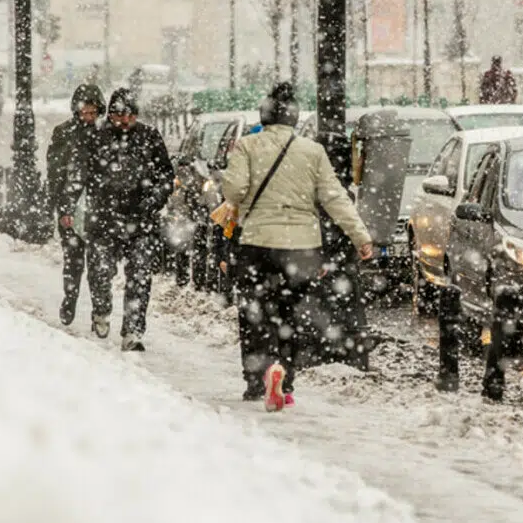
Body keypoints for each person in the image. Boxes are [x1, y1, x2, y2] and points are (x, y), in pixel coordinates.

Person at [211, 81, 373, 411]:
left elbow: (234, 192)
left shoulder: (247, 146)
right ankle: (284, 374)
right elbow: (334, 198)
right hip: (302, 249)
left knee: (254, 312)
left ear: (264, 116)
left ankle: (257, 378)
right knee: (290, 312)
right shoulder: (312, 152)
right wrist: (361, 237)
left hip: (257, 243)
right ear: (294, 119)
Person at [66, 87, 175, 351]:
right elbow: (78, 174)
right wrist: (70, 207)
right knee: (101, 272)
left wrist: (154, 199)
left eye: (129, 115)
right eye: (118, 115)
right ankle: (101, 311)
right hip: (104, 219)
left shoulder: (149, 137)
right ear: (110, 115)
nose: (124, 121)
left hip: (141, 220)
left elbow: (166, 176)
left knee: (139, 276)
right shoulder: (97, 138)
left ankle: (133, 330)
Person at [48, 84, 106, 327]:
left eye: (93, 113)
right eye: (85, 112)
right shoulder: (64, 133)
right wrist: (62, 207)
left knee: (98, 264)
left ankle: (99, 309)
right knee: (73, 260)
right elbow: (55, 173)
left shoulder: (104, 135)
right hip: (71, 205)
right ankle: (70, 298)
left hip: (97, 208)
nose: (89, 117)